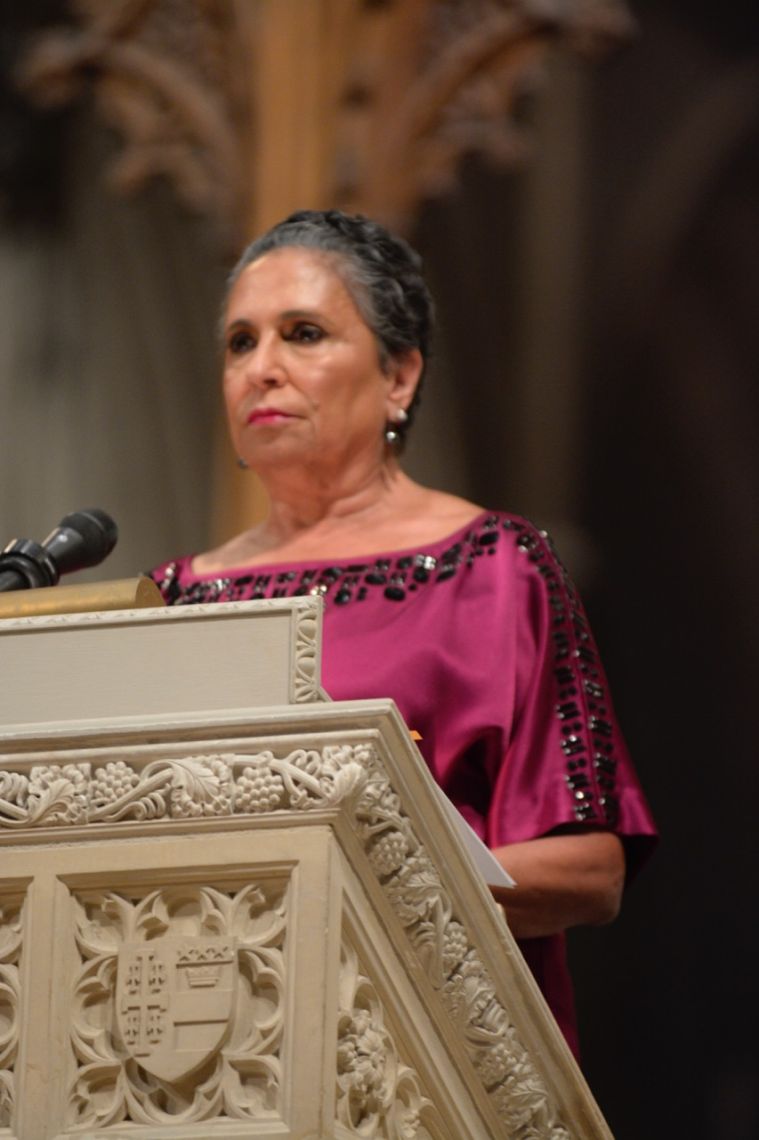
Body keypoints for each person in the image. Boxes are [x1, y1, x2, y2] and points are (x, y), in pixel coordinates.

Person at [149, 208, 656, 1058]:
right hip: (209, 1047)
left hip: (427, 1048)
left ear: (399, 375)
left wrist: (356, 876)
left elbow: (589, 871)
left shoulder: (493, 568)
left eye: (302, 333)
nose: (261, 368)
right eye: (240, 343)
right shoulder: (173, 598)